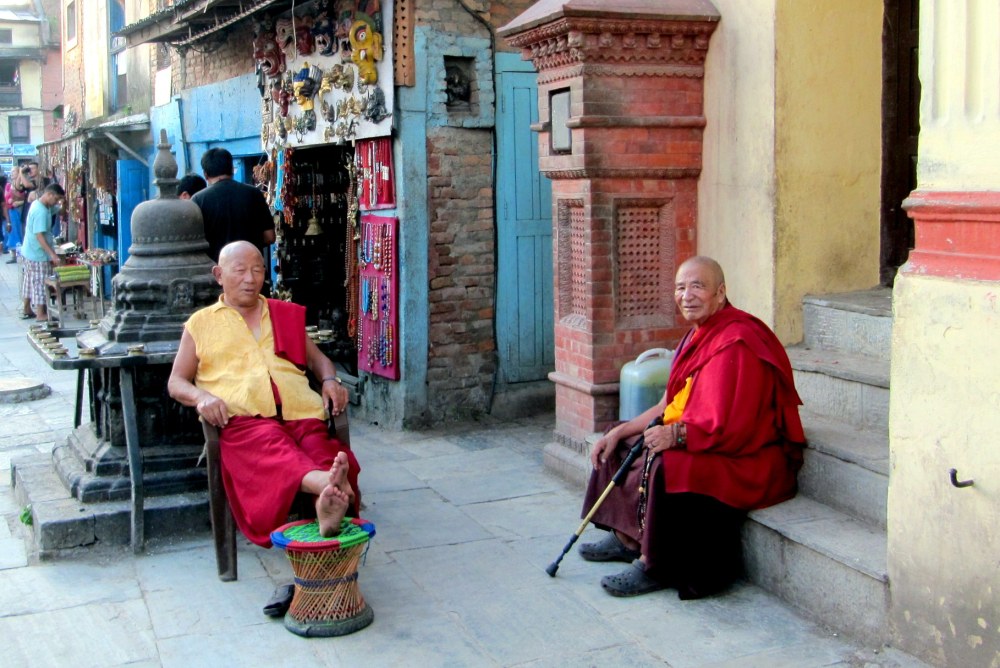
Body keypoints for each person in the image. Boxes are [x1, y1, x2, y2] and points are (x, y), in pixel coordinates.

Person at [578, 256, 806, 600]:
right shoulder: (696, 337)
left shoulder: (737, 341)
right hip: (707, 437)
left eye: (697, 286)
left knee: (669, 466)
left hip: (747, 456)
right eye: (680, 287)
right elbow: (666, 406)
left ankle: (654, 563)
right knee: (622, 439)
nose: (687, 295)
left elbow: (736, 428)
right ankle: (627, 535)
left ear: (720, 292)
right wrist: (618, 433)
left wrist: (677, 436)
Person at [167, 241, 359, 548]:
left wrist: (330, 380)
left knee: (322, 450)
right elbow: (176, 382)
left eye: (257, 270)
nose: (250, 279)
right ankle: (325, 485)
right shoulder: (201, 324)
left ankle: (326, 510)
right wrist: (202, 398)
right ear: (219, 274)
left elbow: (318, 360)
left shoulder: (282, 313)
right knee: (276, 452)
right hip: (246, 423)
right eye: (240, 271)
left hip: (300, 414)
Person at [191, 149, 275, 262]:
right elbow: (269, 237)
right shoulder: (254, 194)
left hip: (216, 272)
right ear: (231, 169)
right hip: (250, 267)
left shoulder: (198, 200)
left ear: (205, 174)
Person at [20, 183, 65, 321]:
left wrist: (62, 204)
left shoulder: (39, 204)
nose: (56, 202)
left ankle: (27, 308)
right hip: (37, 253)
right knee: (40, 282)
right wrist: (52, 254)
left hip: (28, 251)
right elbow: (39, 235)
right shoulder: (41, 212)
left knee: (29, 280)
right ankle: (41, 313)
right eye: (56, 199)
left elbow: (56, 210)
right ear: (49, 194)